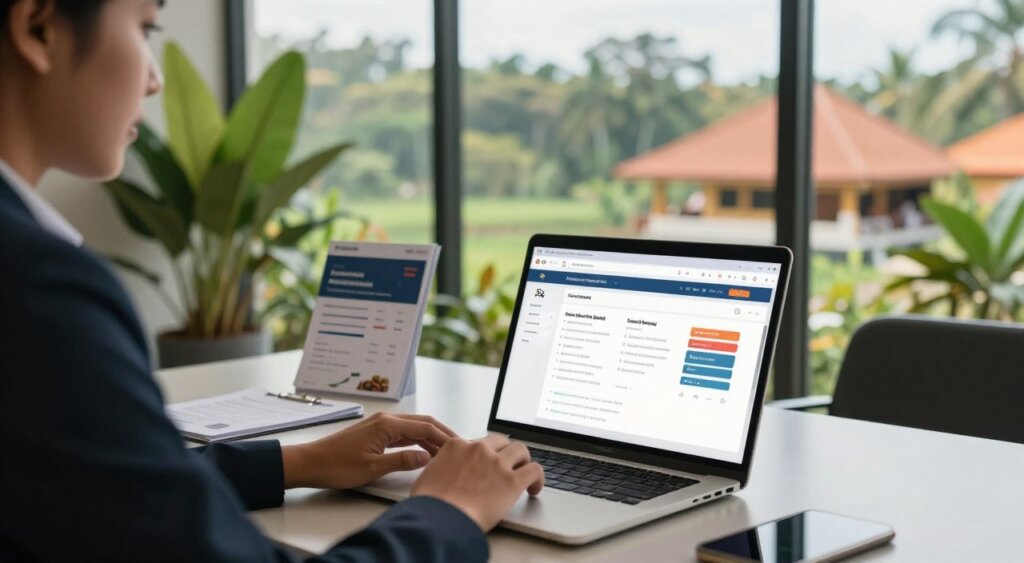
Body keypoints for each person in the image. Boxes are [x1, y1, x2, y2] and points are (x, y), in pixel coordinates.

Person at [0, 1, 544, 561]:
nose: (157, 79)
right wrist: (449, 511)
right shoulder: (36, 289)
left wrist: (300, 461)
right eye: (145, 28)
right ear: (38, 28)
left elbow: (100, 485)